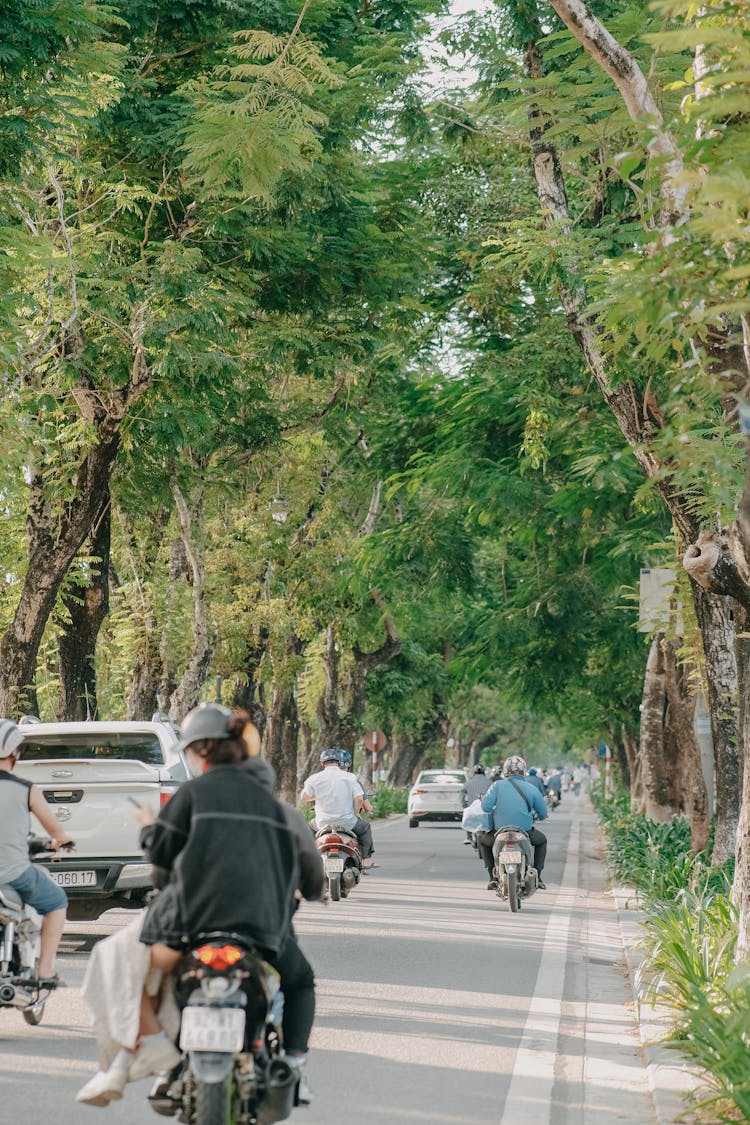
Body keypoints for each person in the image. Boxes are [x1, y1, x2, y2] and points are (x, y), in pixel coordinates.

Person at [76, 704, 324, 1108]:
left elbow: (160, 857)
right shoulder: (279, 811)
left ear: (196, 752)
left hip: (186, 926)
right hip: (262, 930)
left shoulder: (193, 794)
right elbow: (309, 871)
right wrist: (308, 892)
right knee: (300, 982)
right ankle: (294, 1062)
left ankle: (144, 1046)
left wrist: (147, 827)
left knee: (128, 964)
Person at [0, 718, 73, 986]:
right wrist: (61, 840)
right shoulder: (27, 790)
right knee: (56, 902)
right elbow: (57, 833)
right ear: (14, 753)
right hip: (15, 873)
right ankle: (44, 969)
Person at [479, 755, 549, 890]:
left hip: (499, 832)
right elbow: (543, 814)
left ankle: (492, 877)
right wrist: (539, 816)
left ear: (505, 770)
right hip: (525, 832)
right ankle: (538, 876)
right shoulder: (532, 788)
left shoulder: (497, 786)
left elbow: (485, 807)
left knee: (483, 841)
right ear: (523, 771)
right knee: (542, 841)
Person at [301, 749, 374, 865]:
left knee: (307, 829)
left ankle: (305, 859)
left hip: (322, 823)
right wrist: (356, 813)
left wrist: (318, 796)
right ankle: (366, 859)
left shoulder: (314, 778)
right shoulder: (350, 777)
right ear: (338, 762)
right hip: (347, 823)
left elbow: (304, 797)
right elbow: (360, 798)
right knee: (365, 828)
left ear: (322, 763)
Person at [462, 765, 492, 844]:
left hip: (472, 809)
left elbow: (462, 797)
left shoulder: (468, 783)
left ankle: (469, 837)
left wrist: (465, 806)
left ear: (474, 773)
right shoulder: (490, 782)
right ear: (483, 772)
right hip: (486, 810)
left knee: (467, 815)